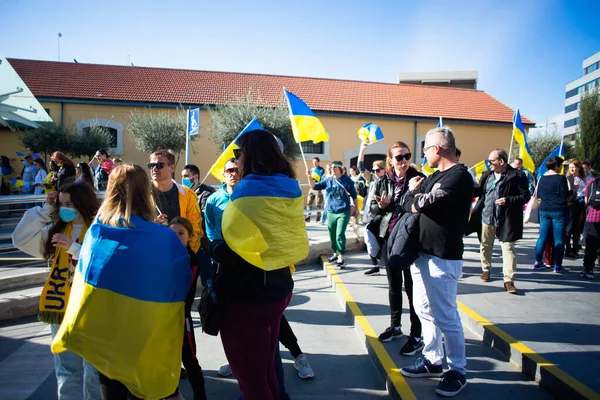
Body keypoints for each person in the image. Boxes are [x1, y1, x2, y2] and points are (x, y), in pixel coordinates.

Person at [50, 164, 191, 400]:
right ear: (146, 192)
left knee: (111, 391)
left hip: (107, 338)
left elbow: (85, 285)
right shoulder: (165, 237)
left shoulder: (97, 233)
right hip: (146, 334)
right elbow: (181, 281)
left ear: (111, 190)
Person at [211, 129, 307, 400]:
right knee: (268, 370)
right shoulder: (291, 187)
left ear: (250, 155)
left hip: (246, 295)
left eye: (237, 154)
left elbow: (236, 248)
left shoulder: (247, 192)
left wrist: (216, 248)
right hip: (278, 287)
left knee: (253, 382)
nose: (235, 160)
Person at [399, 126, 473, 397]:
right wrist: (412, 196)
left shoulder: (459, 176)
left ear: (438, 149)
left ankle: (458, 370)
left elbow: (421, 203)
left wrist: (412, 196)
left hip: (443, 257)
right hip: (423, 255)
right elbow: (407, 202)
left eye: (426, 149)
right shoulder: (436, 176)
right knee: (424, 309)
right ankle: (433, 360)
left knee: (446, 315)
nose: (424, 154)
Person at [12, 182, 101, 399]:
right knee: (66, 370)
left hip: (94, 310)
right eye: (61, 204)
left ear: (83, 203)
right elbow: (20, 238)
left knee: (95, 371)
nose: (64, 209)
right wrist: (45, 210)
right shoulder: (55, 232)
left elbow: (104, 262)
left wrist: (73, 247)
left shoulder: (100, 229)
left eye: (69, 203)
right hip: (61, 307)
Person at [369, 141, 425, 357]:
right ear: (390, 160)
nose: (403, 161)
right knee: (394, 285)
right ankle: (395, 327)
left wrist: (392, 203)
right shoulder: (383, 180)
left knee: (412, 290)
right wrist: (381, 206)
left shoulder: (419, 179)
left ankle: (416, 335)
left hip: (410, 239)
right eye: (399, 157)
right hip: (389, 237)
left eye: (406, 156)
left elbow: (416, 205)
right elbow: (374, 208)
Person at [469, 149, 530, 294]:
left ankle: (508, 280)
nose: (488, 164)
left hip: (507, 218)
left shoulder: (517, 175)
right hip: (487, 216)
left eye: (491, 161)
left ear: (501, 161)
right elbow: (478, 192)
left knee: (508, 248)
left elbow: (525, 195)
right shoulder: (487, 176)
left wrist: (508, 200)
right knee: (485, 244)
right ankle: (486, 269)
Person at [168, 217, 208, 400]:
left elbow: (181, 290)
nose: (176, 237)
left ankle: (200, 395)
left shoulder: (191, 259)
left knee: (190, 359)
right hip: (163, 318)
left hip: (180, 319)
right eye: (171, 233)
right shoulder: (165, 254)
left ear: (190, 236)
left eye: (181, 233)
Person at [149, 149, 202, 252]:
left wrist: (188, 253)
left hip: (181, 254)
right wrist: (153, 224)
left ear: (171, 168)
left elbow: (195, 228)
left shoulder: (188, 195)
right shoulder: (142, 194)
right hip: (151, 253)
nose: (154, 169)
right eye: (151, 165)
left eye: (160, 165)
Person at [307, 160, 358, 267]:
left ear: (340, 169)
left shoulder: (346, 180)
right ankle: (335, 253)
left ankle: (341, 256)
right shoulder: (328, 180)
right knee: (332, 234)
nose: (333, 169)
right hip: (331, 211)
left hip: (343, 211)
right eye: (332, 167)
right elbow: (314, 186)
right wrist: (309, 177)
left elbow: (354, 195)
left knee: (340, 233)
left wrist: (356, 209)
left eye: (335, 167)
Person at [534, 157, 571, 273]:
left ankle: (538, 261)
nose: (561, 168)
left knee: (542, 237)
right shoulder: (561, 179)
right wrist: (572, 192)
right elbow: (564, 195)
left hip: (544, 210)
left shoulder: (542, 178)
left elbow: (538, 194)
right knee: (559, 238)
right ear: (556, 166)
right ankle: (558, 265)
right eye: (560, 166)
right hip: (558, 210)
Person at [565, 160, 587, 258]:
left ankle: (575, 249)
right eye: (570, 167)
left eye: (574, 167)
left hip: (581, 204)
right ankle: (568, 249)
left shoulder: (582, 178)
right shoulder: (568, 178)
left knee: (578, 228)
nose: (572, 169)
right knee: (569, 227)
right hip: (571, 204)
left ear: (578, 168)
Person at [582, 160, 599, 280]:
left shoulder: (592, 182)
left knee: (591, 244)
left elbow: (587, 200)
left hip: (594, 216)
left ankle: (589, 269)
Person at [305, 157, 325, 223]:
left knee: (318, 204)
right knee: (309, 202)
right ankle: (308, 217)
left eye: (315, 162)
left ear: (318, 162)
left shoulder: (321, 169)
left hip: (318, 188)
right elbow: (309, 178)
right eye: (313, 162)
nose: (314, 163)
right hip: (312, 188)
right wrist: (308, 174)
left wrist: (311, 176)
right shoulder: (311, 169)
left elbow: (318, 177)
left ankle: (318, 218)